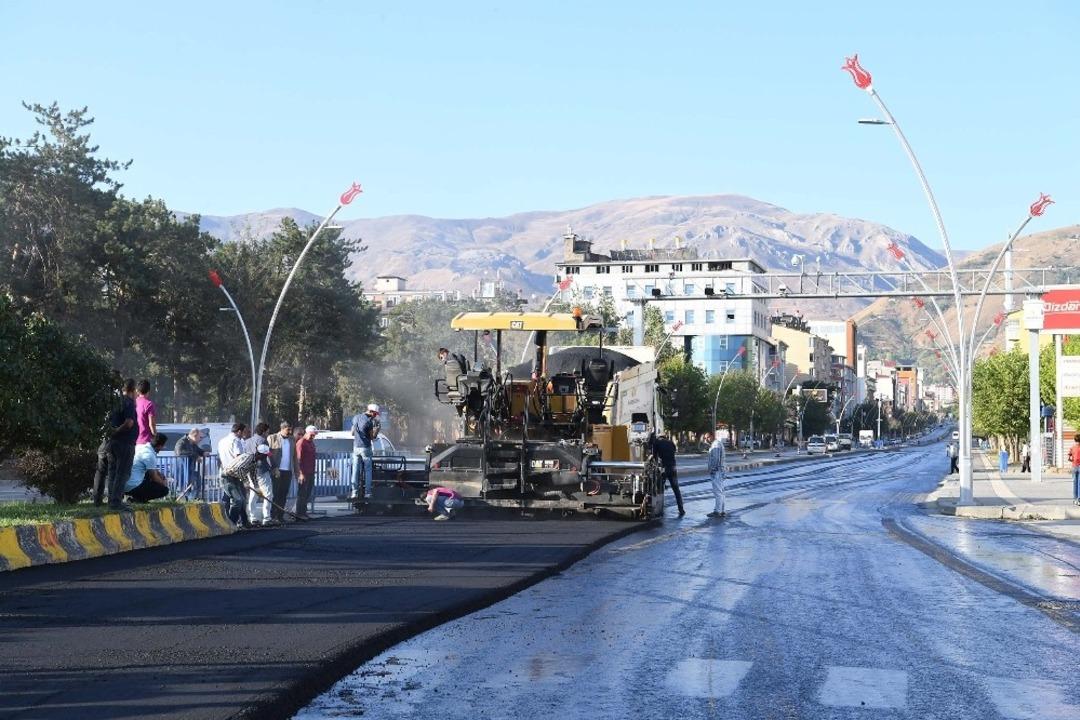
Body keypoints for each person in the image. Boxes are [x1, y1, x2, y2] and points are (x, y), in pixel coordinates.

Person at [92, 378, 137, 507]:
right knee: (122, 473)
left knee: (111, 472)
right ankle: (115, 502)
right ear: (132, 390)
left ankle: (111, 501)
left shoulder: (115, 402)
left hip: (111, 443)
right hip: (124, 442)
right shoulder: (128, 403)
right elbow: (129, 423)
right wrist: (116, 431)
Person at [219, 446, 267, 529]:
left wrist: (257, 488)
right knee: (238, 500)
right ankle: (231, 523)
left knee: (243, 501)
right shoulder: (248, 457)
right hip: (228, 477)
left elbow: (253, 475)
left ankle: (245, 522)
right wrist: (245, 482)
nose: (265, 458)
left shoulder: (254, 462)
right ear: (259, 454)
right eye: (264, 455)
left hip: (236, 477)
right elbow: (240, 469)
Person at [123, 432, 170, 504]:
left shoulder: (141, 447)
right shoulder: (150, 455)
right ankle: (138, 499)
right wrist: (163, 483)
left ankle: (137, 498)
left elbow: (151, 468)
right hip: (132, 485)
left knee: (148, 475)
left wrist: (159, 474)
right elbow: (154, 477)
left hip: (124, 483)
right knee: (164, 490)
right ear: (160, 446)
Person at [245, 423, 275, 525]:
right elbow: (268, 455)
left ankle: (252, 517)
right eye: (267, 431)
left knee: (253, 494)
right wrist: (274, 467)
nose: (268, 433)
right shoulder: (263, 441)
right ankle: (266, 517)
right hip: (261, 470)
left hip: (250, 471)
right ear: (263, 431)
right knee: (268, 494)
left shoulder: (247, 441)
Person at [266, 422, 294, 524]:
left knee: (284, 493)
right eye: (288, 430)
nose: (290, 432)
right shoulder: (272, 438)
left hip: (288, 470)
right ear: (282, 429)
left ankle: (280, 515)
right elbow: (267, 454)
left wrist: (295, 470)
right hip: (276, 470)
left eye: (291, 430)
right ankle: (273, 516)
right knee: (275, 493)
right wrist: (273, 468)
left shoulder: (292, 439)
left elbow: (294, 456)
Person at [651, 434, 685, 517]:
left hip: (664, 469)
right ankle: (681, 509)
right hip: (673, 468)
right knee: (676, 490)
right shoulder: (670, 443)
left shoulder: (657, 443)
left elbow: (654, 457)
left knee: (657, 488)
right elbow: (673, 451)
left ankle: (657, 509)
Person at [351, 404, 379, 500]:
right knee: (368, 470)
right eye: (375, 414)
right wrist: (377, 430)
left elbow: (352, 432)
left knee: (355, 470)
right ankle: (367, 492)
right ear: (371, 411)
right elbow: (372, 437)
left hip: (356, 447)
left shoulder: (356, 417)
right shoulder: (369, 422)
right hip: (365, 448)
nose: (375, 416)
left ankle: (354, 493)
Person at [175, 428, 207, 500]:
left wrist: (203, 453)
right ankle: (190, 500)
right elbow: (180, 452)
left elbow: (198, 450)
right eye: (200, 437)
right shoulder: (182, 442)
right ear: (194, 436)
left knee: (197, 482)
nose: (201, 439)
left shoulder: (193, 443)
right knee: (187, 487)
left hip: (190, 469)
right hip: (182, 470)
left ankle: (193, 499)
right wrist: (196, 456)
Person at [295, 425, 318, 520]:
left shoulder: (311, 443)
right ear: (307, 432)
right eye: (312, 435)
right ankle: (299, 513)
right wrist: (300, 473)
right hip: (304, 473)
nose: (313, 437)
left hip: (311, 472)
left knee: (307, 494)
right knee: (302, 494)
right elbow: (298, 459)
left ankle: (303, 512)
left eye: (314, 435)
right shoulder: (301, 443)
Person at [706, 432, 726, 518]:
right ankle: (721, 510)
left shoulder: (716, 445)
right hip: (719, 471)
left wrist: (712, 470)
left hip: (717, 472)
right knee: (721, 492)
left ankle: (718, 511)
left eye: (707, 437)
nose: (706, 439)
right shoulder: (717, 444)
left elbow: (716, 459)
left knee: (718, 492)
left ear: (712, 436)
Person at [134, 379, 156, 447]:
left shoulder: (133, 402)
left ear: (137, 391)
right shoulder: (149, 404)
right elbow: (151, 424)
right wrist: (155, 435)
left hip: (134, 440)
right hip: (146, 441)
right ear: (148, 390)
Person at [1069, 434, 1080, 506]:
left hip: (1074, 466)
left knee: (1074, 483)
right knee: (1079, 483)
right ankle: (1079, 499)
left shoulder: (1072, 447)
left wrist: (1072, 460)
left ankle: (1075, 499)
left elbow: (1069, 457)